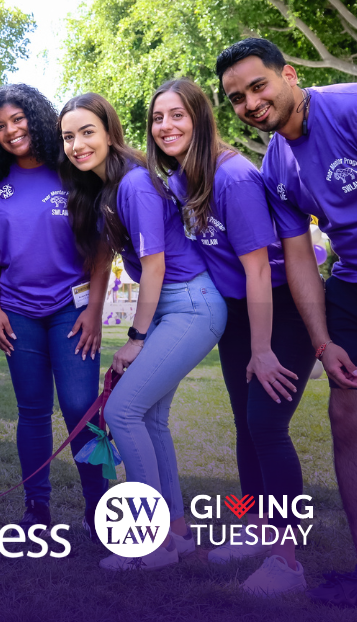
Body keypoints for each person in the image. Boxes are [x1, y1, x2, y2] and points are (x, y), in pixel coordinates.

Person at [148, 77, 315, 594]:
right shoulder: (181, 180)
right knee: (245, 423)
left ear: (200, 118)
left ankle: (287, 559)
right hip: (237, 313)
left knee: (266, 424)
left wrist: (263, 349)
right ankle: (254, 526)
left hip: (280, 308)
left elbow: (261, 270)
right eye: (157, 118)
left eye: (177, 115)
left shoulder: (234, 177)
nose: (165, 126)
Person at [59, 93, 227, 570]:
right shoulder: (107, 189)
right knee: (149, 418)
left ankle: (148, 543)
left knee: (123, 410)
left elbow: (154, 266)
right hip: (176, 306)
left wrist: (136, 338)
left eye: (87, 131)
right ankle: (176, 532)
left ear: (110, 131)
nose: (76, 144)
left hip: (190, 304)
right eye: (68, 137)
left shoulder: (133, 184)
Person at [216, 38, 357, 605]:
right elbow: (299, 256)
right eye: (237, 98)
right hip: (348, 280)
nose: (251, 102)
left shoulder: (347, 107)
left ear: (290, 75)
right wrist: (322, 343)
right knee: (344, 417)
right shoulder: (274, 162)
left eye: (258, 86)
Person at [0, 84, 109, 534]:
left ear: (36, 116)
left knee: (80, 406)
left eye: (18, 119)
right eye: (0, 126)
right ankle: (37, 507)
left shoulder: (73, 169)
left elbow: (102, 248)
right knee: (31, 410)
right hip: (18, 312)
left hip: (71, 310)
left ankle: (100, 507)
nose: (11, 131)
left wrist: (94, 307)